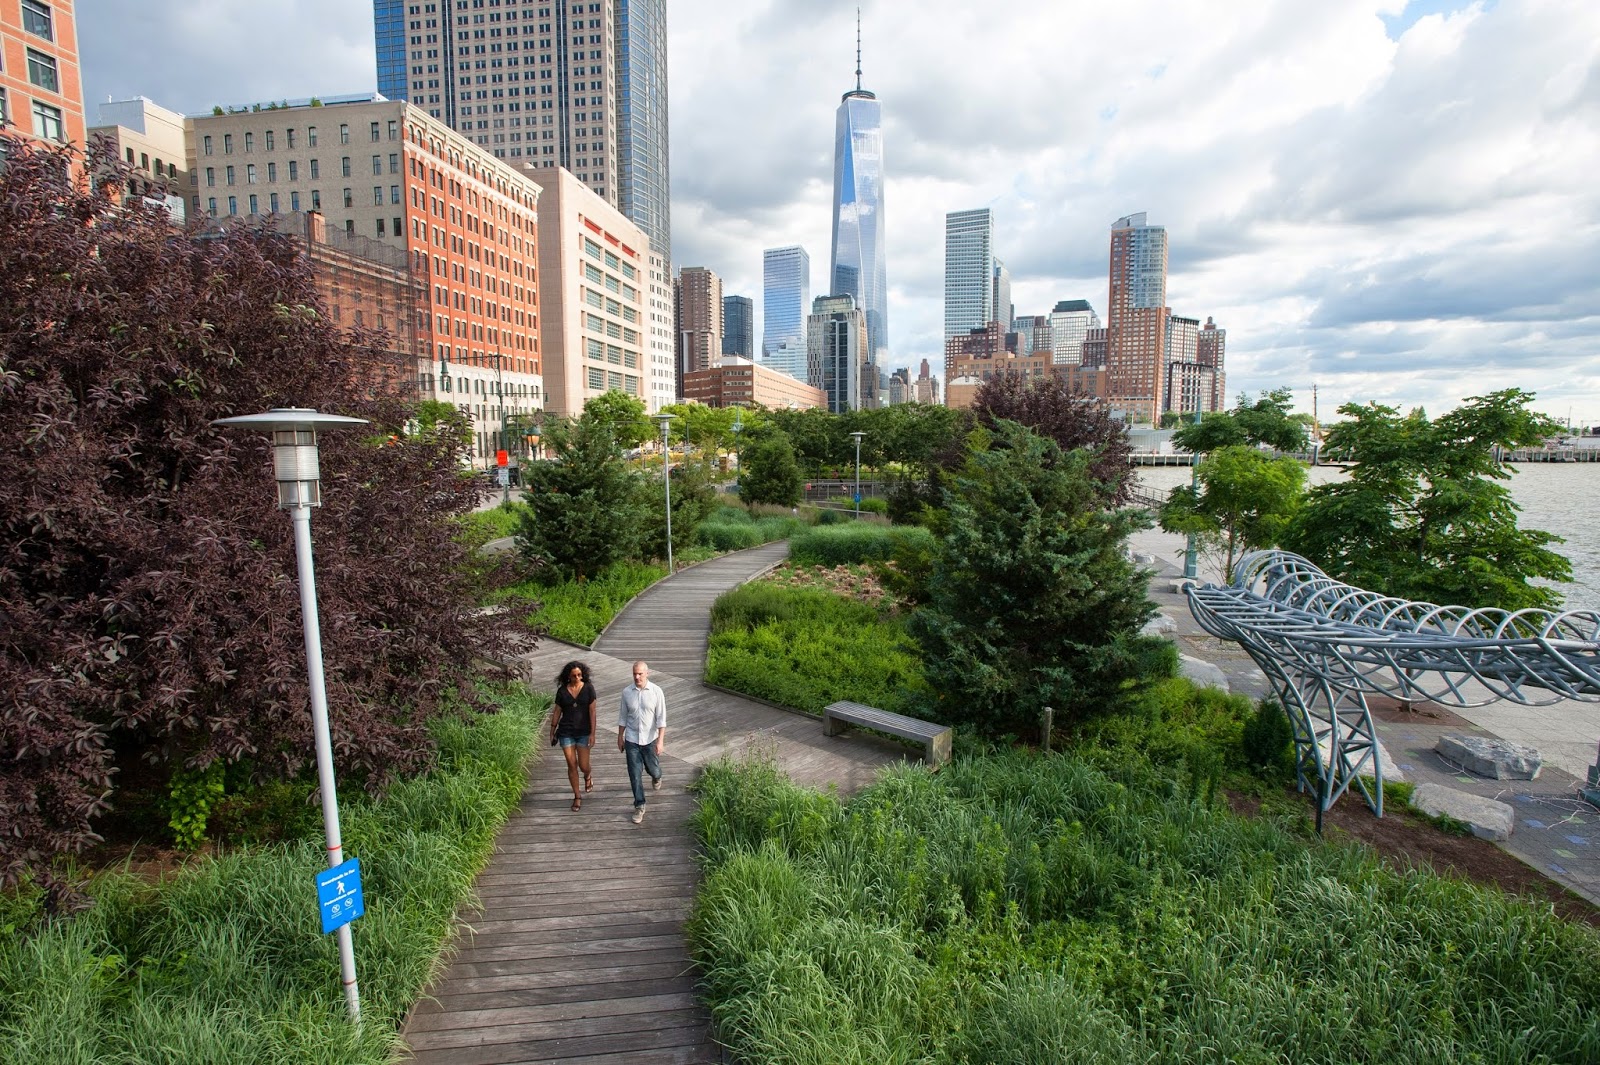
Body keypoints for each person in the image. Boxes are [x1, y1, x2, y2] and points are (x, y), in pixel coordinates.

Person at [617, 660, 667, 824]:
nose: (637, 677)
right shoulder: (626, 692)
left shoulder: (656, 691)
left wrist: (660, 741)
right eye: (634, 674)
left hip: (650, 739)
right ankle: (640, 805)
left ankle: (657, 776)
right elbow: (623, 716)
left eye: (640, 674)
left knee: (654, 769)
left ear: (647, 673)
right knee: (635, 775)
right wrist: (620, 736)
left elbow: (661, 719)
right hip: (632, 740)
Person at [550, 660, 597, 811]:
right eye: (574, 676)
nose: (577, 678)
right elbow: (557, 711)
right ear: (568, 677)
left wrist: (593, 733)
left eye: (579, 675)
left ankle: (588, 776)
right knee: (571, 764)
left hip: (583, 732)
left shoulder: (588, 688)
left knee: (584, 766)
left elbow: (592, 712)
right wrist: (552, 729)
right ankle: (577, 796)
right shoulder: (562, 691)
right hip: (566, 732)